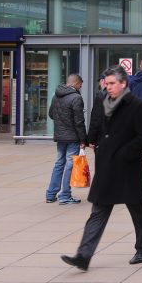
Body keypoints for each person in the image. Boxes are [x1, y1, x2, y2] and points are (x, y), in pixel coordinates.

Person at [61, 65, 142, 271]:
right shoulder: (103, 101)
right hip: (107, 166)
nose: (108, 87)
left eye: (112, 83)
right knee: (98, 211)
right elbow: (97, 123)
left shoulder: (137, 106)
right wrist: (91, 141)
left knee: (137, 208)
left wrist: (125, 152)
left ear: (123, 84)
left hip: (128, 167)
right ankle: (83, 256)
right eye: (107, 83)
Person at [46, 74, 87, 205]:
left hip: (60, 136)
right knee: (70, 164)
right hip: (72, 136)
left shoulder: (55, 96)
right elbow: (79, 121)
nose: (81, 87)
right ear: (75, 84)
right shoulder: (76, 98)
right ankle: (65, 195)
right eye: (80, 85)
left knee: (59, 163)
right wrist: (83, 139)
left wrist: (61, 123)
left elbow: (51, 114)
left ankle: (51, 194)